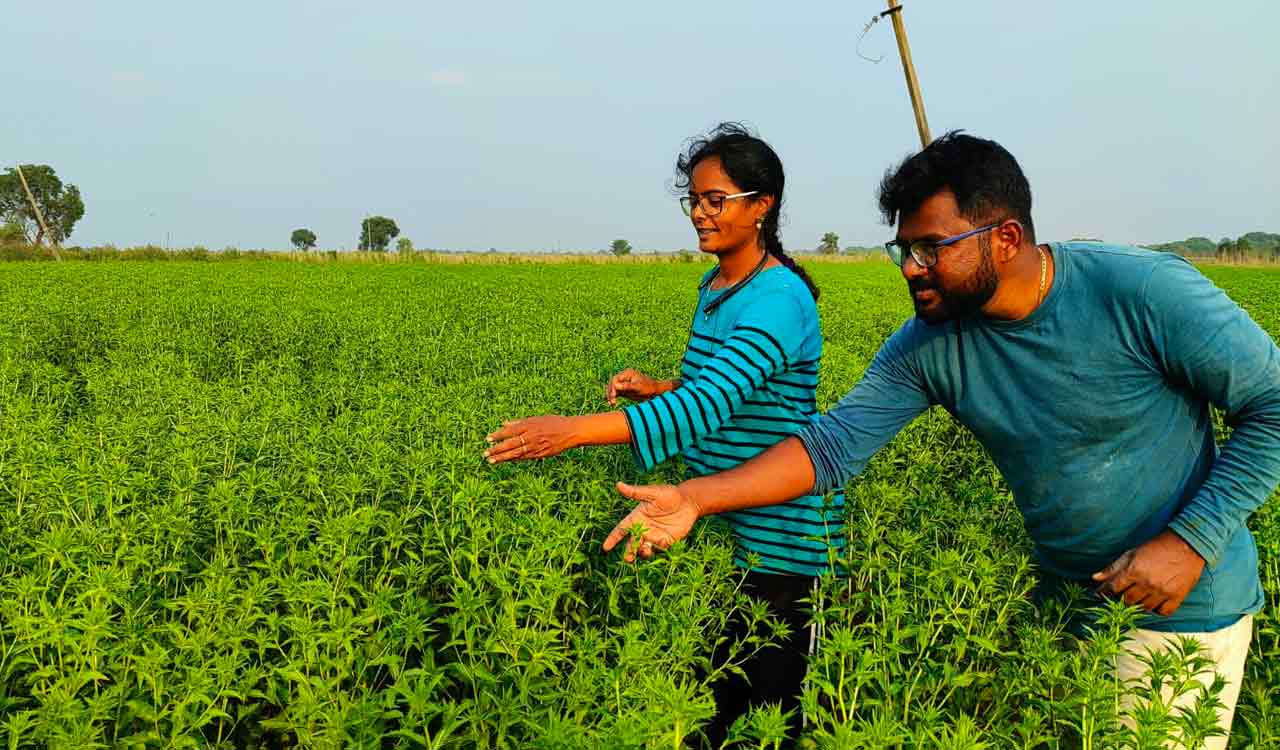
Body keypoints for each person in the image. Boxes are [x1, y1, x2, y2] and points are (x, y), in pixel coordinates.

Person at [602, 131, 1280, 749]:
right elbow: (830, 446)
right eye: (903, 248)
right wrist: (694, 497)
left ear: (1005, 239)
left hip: (1181, 609)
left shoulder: (1140, 291)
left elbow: (1273, 403)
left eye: (932, 248)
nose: (910, 267)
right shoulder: (931, 342)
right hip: (1064, 607)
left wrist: (1190, 540)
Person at [483, 122, 844, 744]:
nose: (701, 214)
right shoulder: (716, 286)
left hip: (783, 541)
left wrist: (567, 432)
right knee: (706, 710)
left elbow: (707, 405)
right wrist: (660, 389)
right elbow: (718, 388)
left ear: (762, 206)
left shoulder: (779, 298)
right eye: (695, 200)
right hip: (719, 524)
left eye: (716, 200)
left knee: (765, 720)